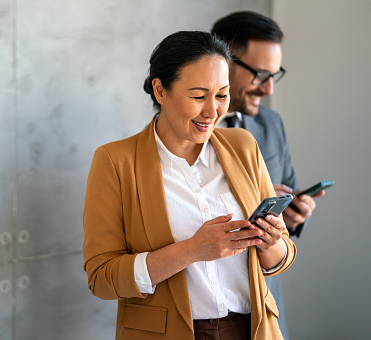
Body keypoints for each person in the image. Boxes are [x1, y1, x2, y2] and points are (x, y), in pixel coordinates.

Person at [83, 31, 296, 340]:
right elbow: (102, 278)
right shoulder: (116, 161)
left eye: (222, 95)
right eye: (198, 96)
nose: (212, 112)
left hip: (253, 329)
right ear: (160, 90)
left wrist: (269, 241)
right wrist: (191, 251)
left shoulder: (243, 146)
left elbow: (282, 255)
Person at [211, 11, 325, 339]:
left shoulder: (272, 124)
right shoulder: (181, 131)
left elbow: (285, 189)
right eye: (260, 74)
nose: (269, 87)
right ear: (222, 61)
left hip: (265, 306)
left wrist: (292, 215)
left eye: (275, 75)